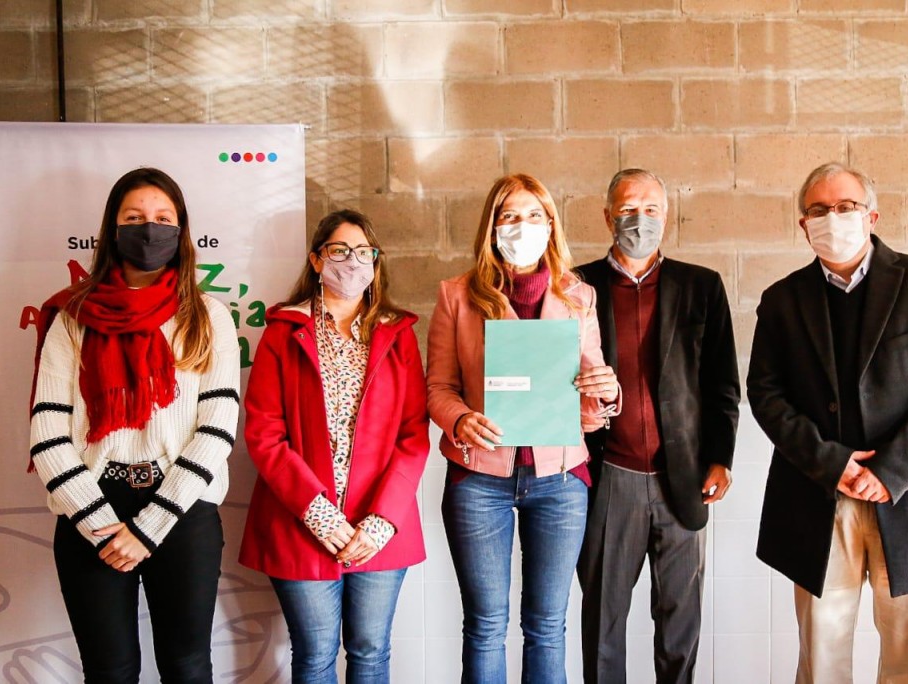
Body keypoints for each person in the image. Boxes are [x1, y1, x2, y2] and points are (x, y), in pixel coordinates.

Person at [747, 161, 908, 683]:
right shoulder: (782, 300)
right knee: (822, 656)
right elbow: (765, 394)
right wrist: (832, 464)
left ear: (871, 215)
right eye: (818, 210)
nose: (832, 218)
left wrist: (891, 470)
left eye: (845, 206)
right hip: (817, 496)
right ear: (803, 224)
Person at [28, 167, 241, 683]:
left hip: (183, 509)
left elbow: (217, 430)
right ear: (113, 228)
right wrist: (101, 525)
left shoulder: (208, 316)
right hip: (91, 509)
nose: (150, 229)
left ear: (181, 229)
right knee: (110, 671)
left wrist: (149, 528)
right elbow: (47, 433)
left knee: (188, 667)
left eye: (163, 218)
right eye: (135, 218)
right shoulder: (73, 317)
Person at [427, 173, 619, 683]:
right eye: (509, 216)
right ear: (492, 228)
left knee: (547, 625)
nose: (522, 226)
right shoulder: (457, 295)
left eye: (534, 215)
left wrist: (605, 392)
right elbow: (438, 387)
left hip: (560, 480)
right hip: (479, 479)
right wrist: (459, 418)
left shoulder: (578, 296)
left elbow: (590, 403)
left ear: (551, 225)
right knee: (486, 625)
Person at [239, 209, 429, 684]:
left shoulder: (397, 333)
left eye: (364, 252)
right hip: (301, 522)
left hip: (378, 525)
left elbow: (413, 435)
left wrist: (382, 520)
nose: (353, 261)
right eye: (340, 250)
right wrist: (318, 514)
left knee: (370, 651)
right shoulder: (284, 330)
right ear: (316, 259)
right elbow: (264, 433)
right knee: (315, 654)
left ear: (376, 261)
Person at [575, 168, 741, 683]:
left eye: (650, 210)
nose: (639, 220)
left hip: (684, 477)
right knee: (602, 623)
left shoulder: (702, 286)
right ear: (607, 216)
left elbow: (722, 385)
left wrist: (721, 458)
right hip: (607, 477)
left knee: (679, 626)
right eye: (628, 209)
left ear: (666, 217)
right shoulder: (576, 286)